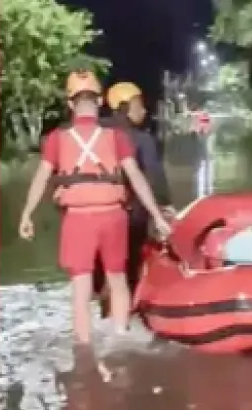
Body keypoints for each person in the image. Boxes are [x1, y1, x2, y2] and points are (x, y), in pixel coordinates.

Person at [18, 70, 172, 344]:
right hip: (113, 216)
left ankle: (85, 346)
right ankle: (121, 338)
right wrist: (158, 216)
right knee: (117, 279)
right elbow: (136, 177)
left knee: (81, 287)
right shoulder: (116, 137)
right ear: (99, 101)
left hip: (78, 219)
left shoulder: (56, 138)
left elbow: (42, 178)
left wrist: (27, 213)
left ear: (69, 104)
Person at [91, 81, 175, 316]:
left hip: (91, 215)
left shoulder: (93, 136)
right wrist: (164, 208)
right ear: (124, 107)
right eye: (139, 106)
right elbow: (155, 177)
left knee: (100, 268)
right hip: (129, 217)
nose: (144, 111)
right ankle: (125, 315)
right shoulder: (140, 139)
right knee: (128, 268)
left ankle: (102, 308)